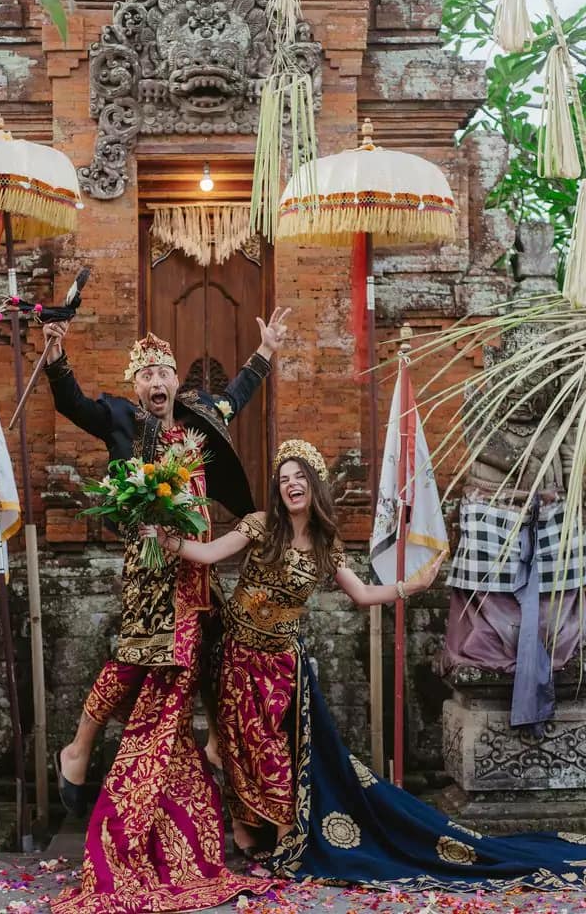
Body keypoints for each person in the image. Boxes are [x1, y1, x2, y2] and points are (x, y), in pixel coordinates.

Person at [148, 439, 586, 891]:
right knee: (237, 747)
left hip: (280, 664)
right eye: (283, 479)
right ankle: (243, 833)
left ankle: (287, 842)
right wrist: (166, 538)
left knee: (273, 754)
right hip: (237, 656)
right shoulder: (259, 526)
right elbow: (206, 554)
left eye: (299, 477)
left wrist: (409, 587)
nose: (291, 485)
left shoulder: (325, 544)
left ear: (313, 486)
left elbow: (360, 594)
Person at [45, 315, 287, 913]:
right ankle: (80, 748)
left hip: (200, 571)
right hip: (151, 575)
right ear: (135, 386)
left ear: (177, 380)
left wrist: (264, 351)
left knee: (208, 664)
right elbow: (72, 403)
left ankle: (207, 766)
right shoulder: (123, 421)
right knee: (138, 662)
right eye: (147, 374)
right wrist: (55, 358)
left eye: (164, 372)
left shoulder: (202, 418)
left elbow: (236, 397)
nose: (157, 381)